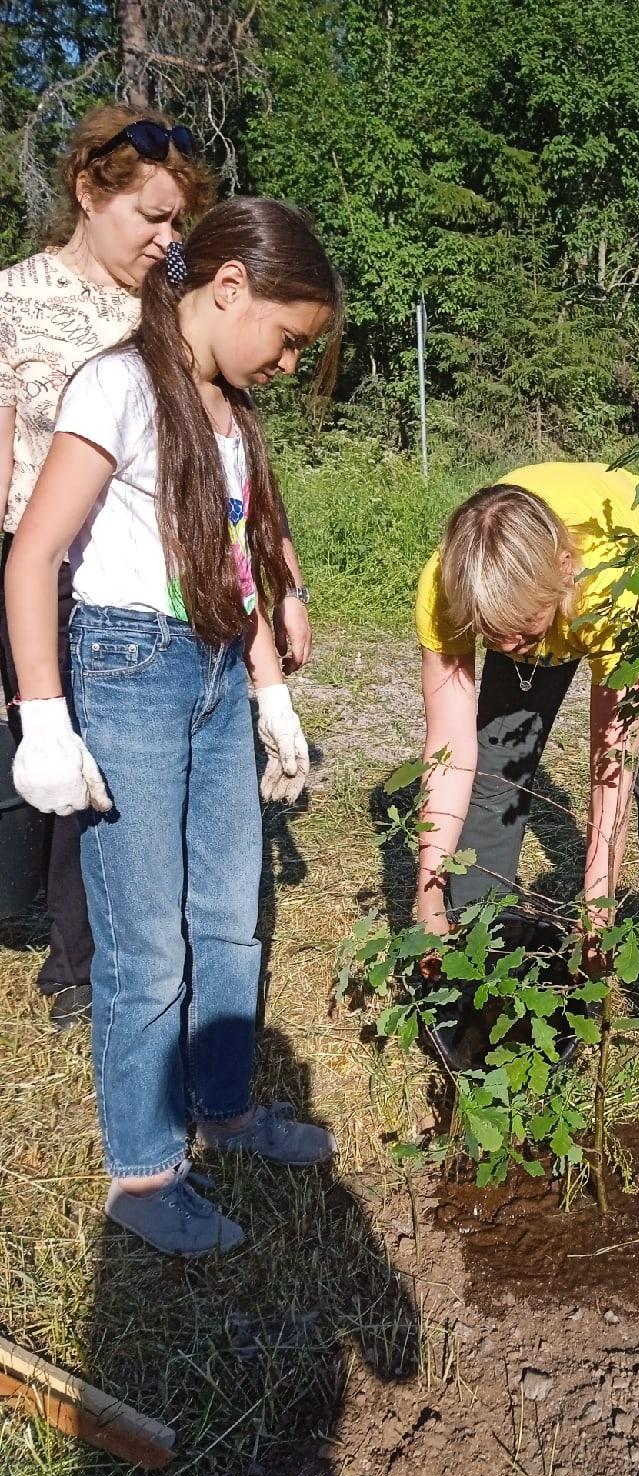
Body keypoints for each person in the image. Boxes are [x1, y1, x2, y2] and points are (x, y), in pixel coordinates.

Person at [5, 196, 342, 1255]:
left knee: (229, 912)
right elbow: (31, 558)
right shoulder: (115, 385)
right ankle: (145, 1176)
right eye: (287, 339)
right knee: (146, 941)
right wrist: (46, 722)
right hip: (124, 670)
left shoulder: (230, 415)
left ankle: (226, 1108)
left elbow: (231, 563)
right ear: (229, 288)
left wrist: (269, 687)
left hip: (208, 668)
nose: (288, 362)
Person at [0, 104, 314, 1028]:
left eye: (179, 221)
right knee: (59, 773)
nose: (166, 238)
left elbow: (235, 464)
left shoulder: (174, 299)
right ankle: (89, 970)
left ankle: (131, 959)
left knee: (129, 783)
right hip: (45, 560)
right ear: (87, 192)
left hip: (165, 578)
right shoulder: (14, 303)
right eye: (152, 216)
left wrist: (282, 581)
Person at [414, 462, 639, 1030]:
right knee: (496, 768)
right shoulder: (452, 584)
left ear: (563, 570)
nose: (507, 647)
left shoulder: (610, 588)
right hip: (530, 590)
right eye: (490, 635)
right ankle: (479, 950)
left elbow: (613, 757)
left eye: (522, 633)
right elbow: (448, 748)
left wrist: (596, 905)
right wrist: (429, 897)